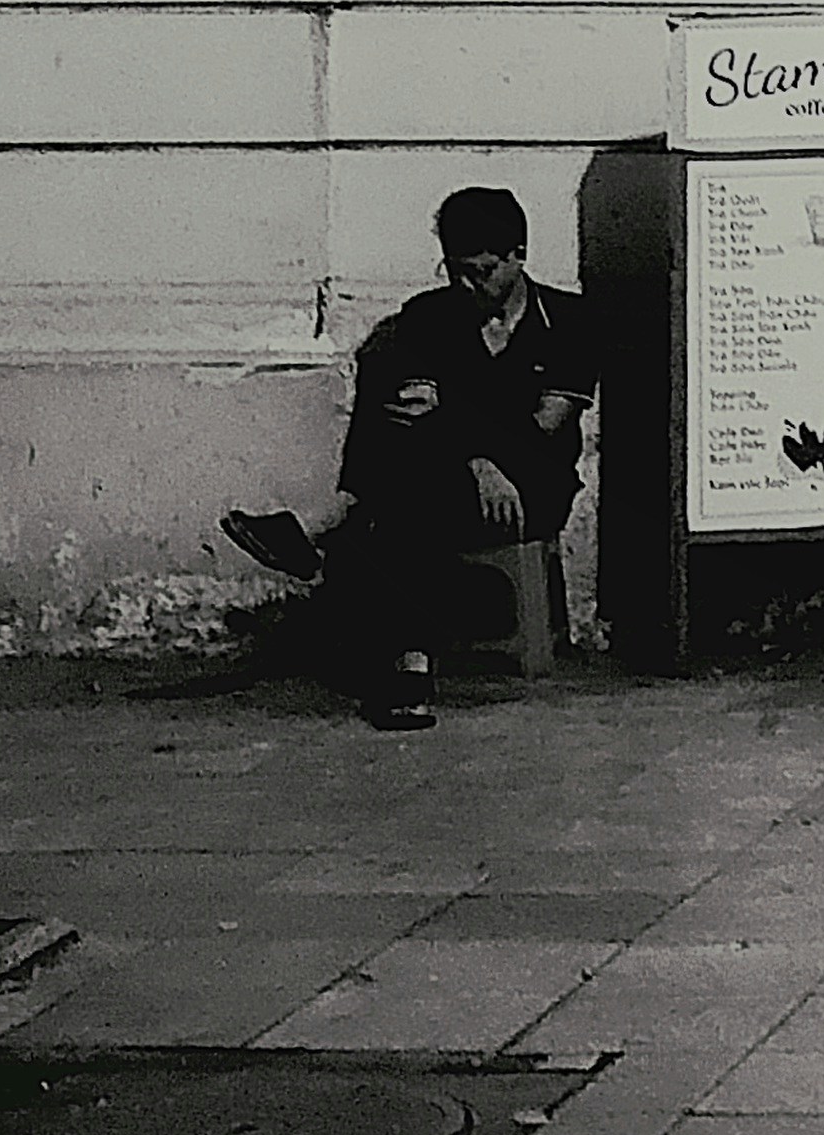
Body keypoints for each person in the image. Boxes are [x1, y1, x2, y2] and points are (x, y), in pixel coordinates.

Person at [223, 185, 603, 730]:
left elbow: (545, 427)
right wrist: (476, 457)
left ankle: (327, 526)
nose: (466, 285)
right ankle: (412, 661)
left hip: (533, 485)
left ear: (518, 255)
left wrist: (462, 430)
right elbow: (410, 412)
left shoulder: (569, 320)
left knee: (403, 494)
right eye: (454, 270)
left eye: (481, 271)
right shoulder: (430, 315)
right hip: (445, 475)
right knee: (413, 477)